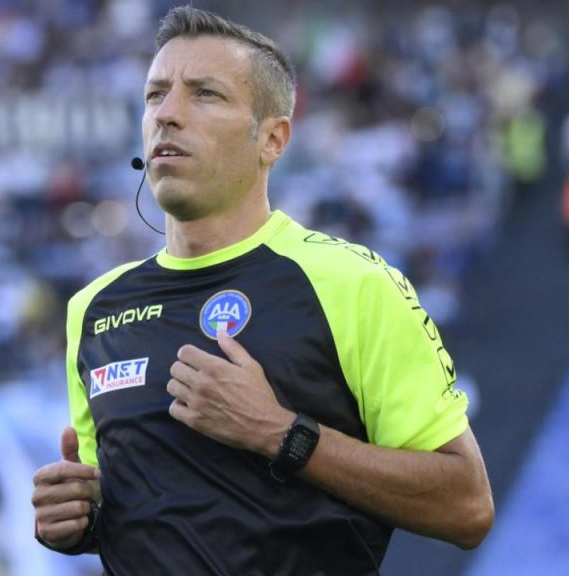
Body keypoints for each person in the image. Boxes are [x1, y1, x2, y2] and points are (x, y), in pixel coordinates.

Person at [31, 6, 494, 574]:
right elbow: (138, 511)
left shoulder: (352, 284)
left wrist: (279, 432)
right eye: (155, 95)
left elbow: (467, 505)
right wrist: (79, 521)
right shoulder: (94, 309)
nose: (167, 114)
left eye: (205, 94)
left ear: (272, 139)